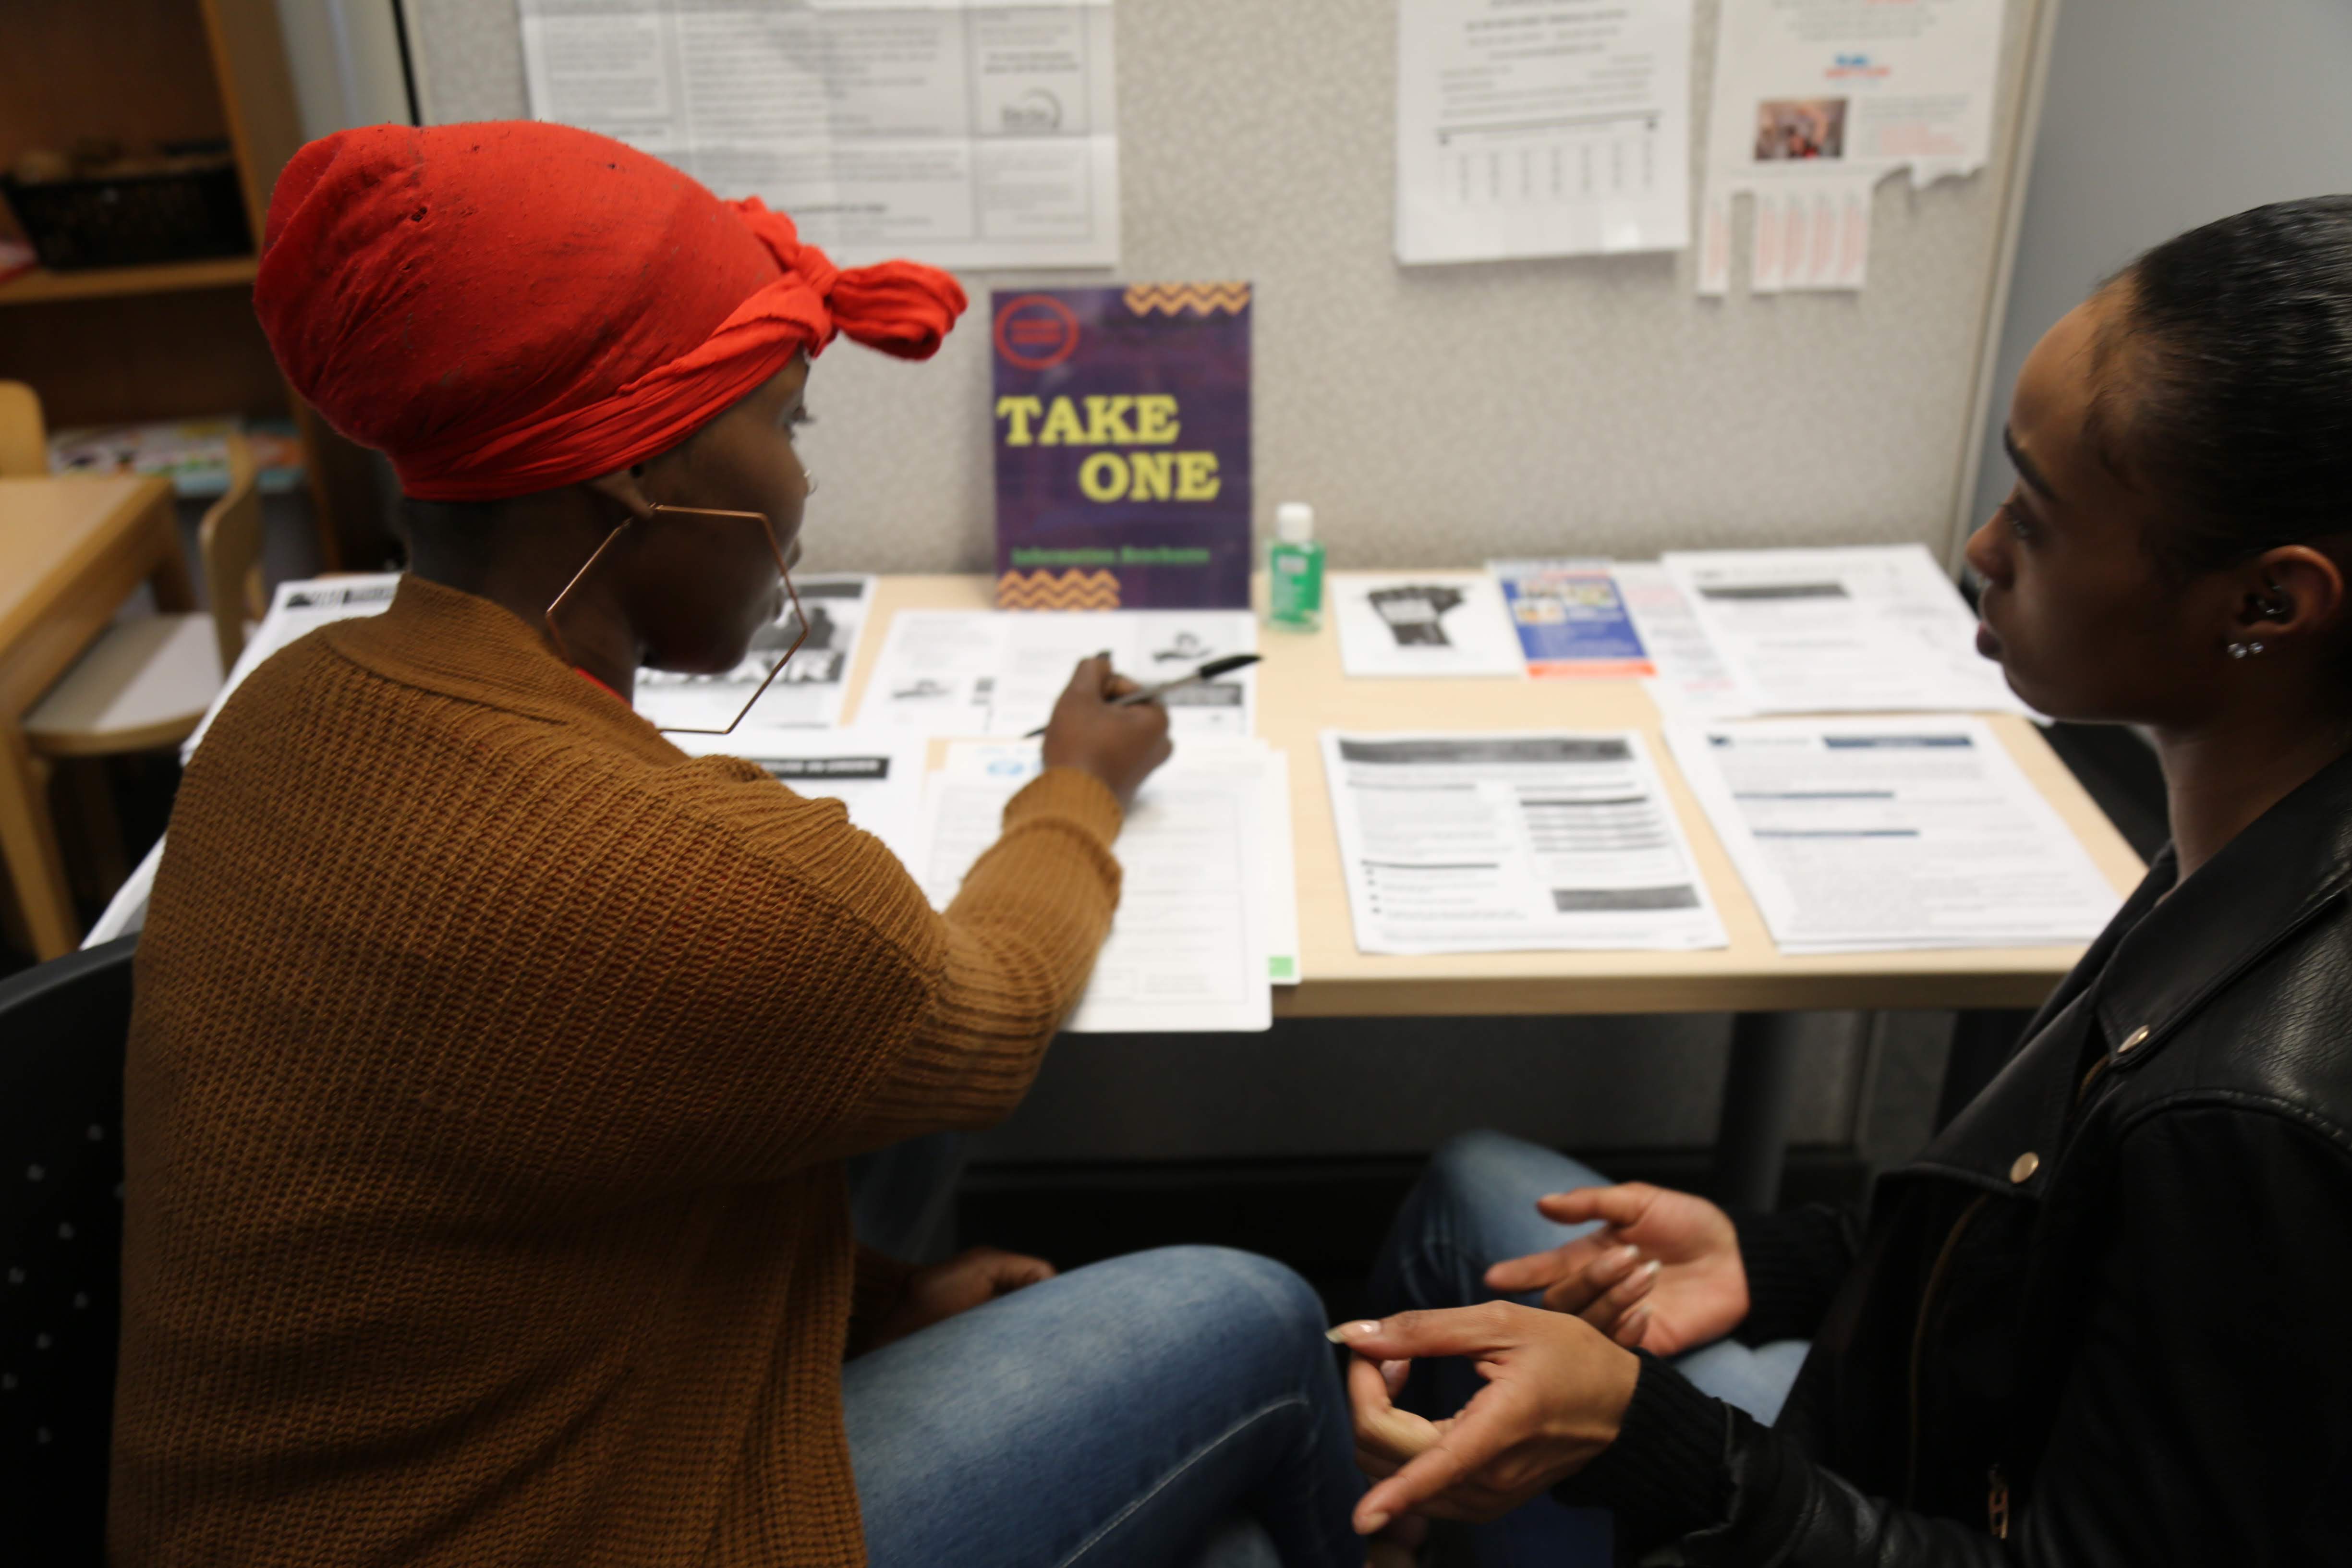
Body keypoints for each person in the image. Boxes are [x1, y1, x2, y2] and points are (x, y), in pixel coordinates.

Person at [109, 121, 1368, 1568]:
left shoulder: (284, 706)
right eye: (787, 421)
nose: (800, 484)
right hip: (566, 1523)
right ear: (641, 465)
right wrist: (1076, 786)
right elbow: (997, 1001)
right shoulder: (690, 872)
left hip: (334, 1488)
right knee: (1262, 1314)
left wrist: (870, 1300)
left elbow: (520, 1172)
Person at [1336, 195, 2352, 1564]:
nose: (1982, 551)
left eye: (2037, 517)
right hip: (1918, 1441)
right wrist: (1786, 1263)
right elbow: (2059, 1249)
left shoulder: (2253, 1112)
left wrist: (1658, 1444)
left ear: (2265, 604)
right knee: (1478, 1186)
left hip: (1876, 1517)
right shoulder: (2266, 830)